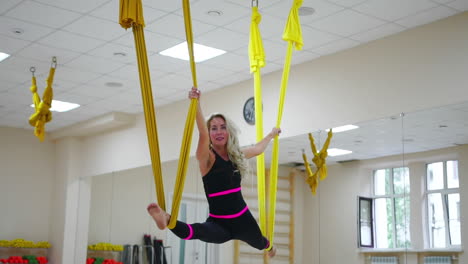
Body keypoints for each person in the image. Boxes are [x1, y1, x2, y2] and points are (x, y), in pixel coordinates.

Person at [147, 87, 281, 258]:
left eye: (222, 127)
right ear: (209, 133)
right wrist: (196, 103)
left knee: (260, 243)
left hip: (242, 219)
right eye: (214, 128)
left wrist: (271, 135)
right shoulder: (207, 157)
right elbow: (202, 132)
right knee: (196, 231)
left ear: (228, 131)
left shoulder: (235, 155)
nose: (219, 132)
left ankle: (270, 247)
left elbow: (257, 149)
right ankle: (166, 219)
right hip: (219, 223)